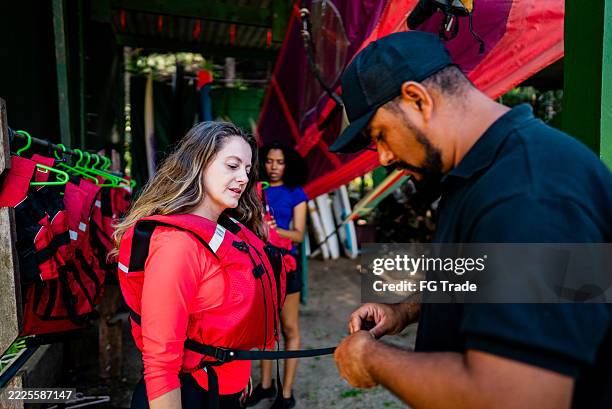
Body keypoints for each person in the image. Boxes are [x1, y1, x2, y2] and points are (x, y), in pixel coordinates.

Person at [330, 31, 612, 409]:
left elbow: (519, 397)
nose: (382, 158)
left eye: (380, 135)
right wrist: (406, 311)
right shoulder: (478, 174)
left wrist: (371, 360)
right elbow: (500, 281)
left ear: (418, 99)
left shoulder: (530, 191)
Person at [113, 122, 283, 409]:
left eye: (247, 169)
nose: (243, 178)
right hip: (191, 395)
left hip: (223, 389)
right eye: (232, 165)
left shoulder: (227, 230)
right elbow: (160, 365)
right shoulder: (176, 246)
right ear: (199, 164)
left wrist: (237, 375)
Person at [244, 142, 308, 409]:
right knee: (267, 330)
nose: (273, 167)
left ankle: (286, 393)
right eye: (269, 161)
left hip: (286, 265)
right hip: (260, 265)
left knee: (289, 329)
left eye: (279, 162)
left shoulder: (297, 193)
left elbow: (299, 235)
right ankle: (266, 386)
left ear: (287, 164)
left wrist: (274, 230)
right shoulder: (255, 189)